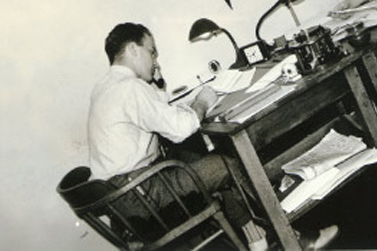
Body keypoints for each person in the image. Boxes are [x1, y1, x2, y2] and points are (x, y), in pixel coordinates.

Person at [88, 23, 338, 250]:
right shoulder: (130, 88)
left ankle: (257, 240)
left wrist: (159, 83)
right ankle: (291, 240)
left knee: (197, 156)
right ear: (133, 49)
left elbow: (158, 114)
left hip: (123, 201)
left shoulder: (106, 87)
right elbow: (180, 128)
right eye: (152, 52)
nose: (155, 60)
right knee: (226, 165)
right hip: (141, 196)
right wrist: (202, 103)